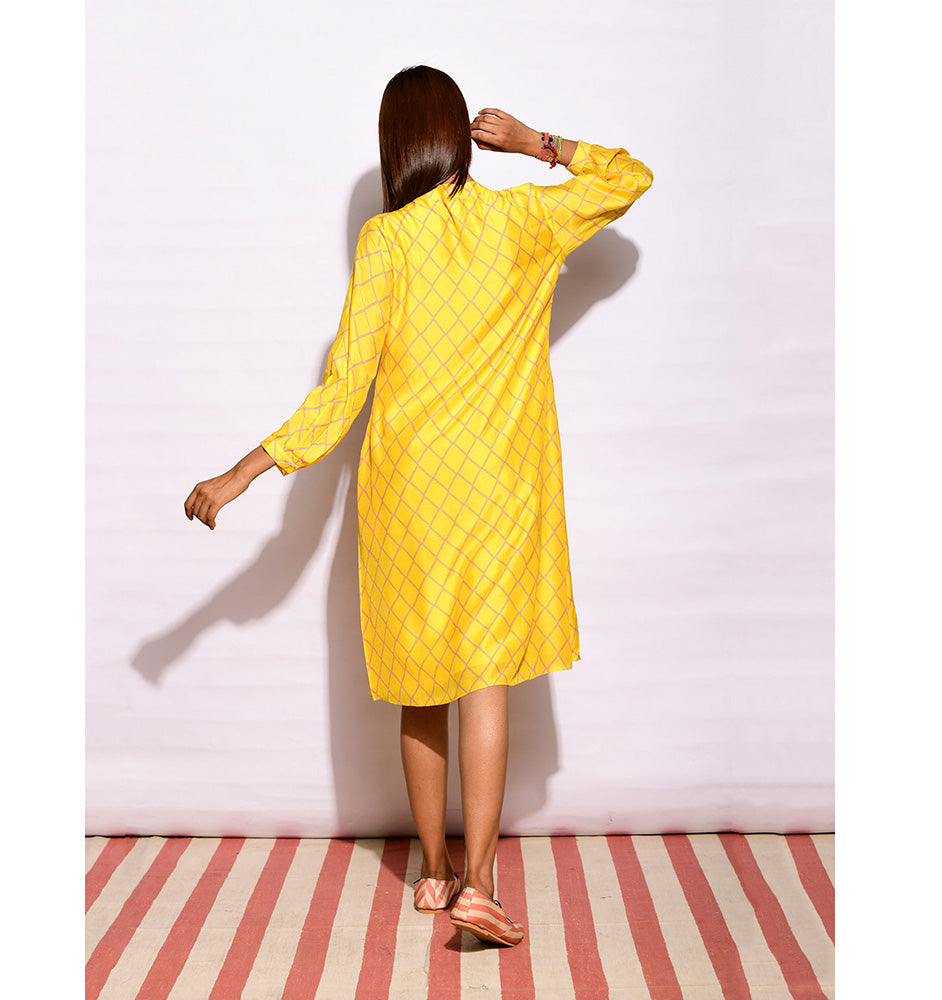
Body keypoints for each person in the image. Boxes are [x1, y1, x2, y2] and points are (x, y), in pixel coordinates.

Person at [184, 65, 653, 948]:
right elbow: (630, 177)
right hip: (500, 492)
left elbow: (343, 386)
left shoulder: (386, 240)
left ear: (396, 141)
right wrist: (539, 144)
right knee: (483, 683)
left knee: (421, 684)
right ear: (457, 134)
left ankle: (434, 873)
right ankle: (481, 883)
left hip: (409, 496)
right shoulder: (523, 218)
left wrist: (245, 471)